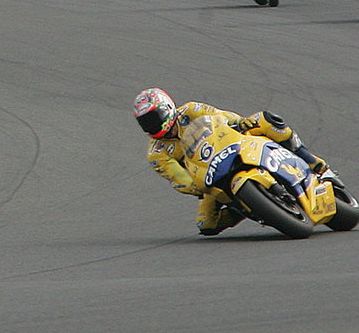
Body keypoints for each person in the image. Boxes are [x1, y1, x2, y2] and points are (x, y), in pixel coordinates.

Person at [132, 88, 329, 236]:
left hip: (232, 144)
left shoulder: (191, 110)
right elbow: (178, 177)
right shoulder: (156, 153)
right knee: (207, 225)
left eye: (153, 117)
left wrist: (238, 123)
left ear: (166, 107)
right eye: (145, 122)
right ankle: (247, 207)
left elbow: (221, 116)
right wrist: (195, 188)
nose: (151, 125)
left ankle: (309, 159)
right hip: (209, 177)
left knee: (266, 120)